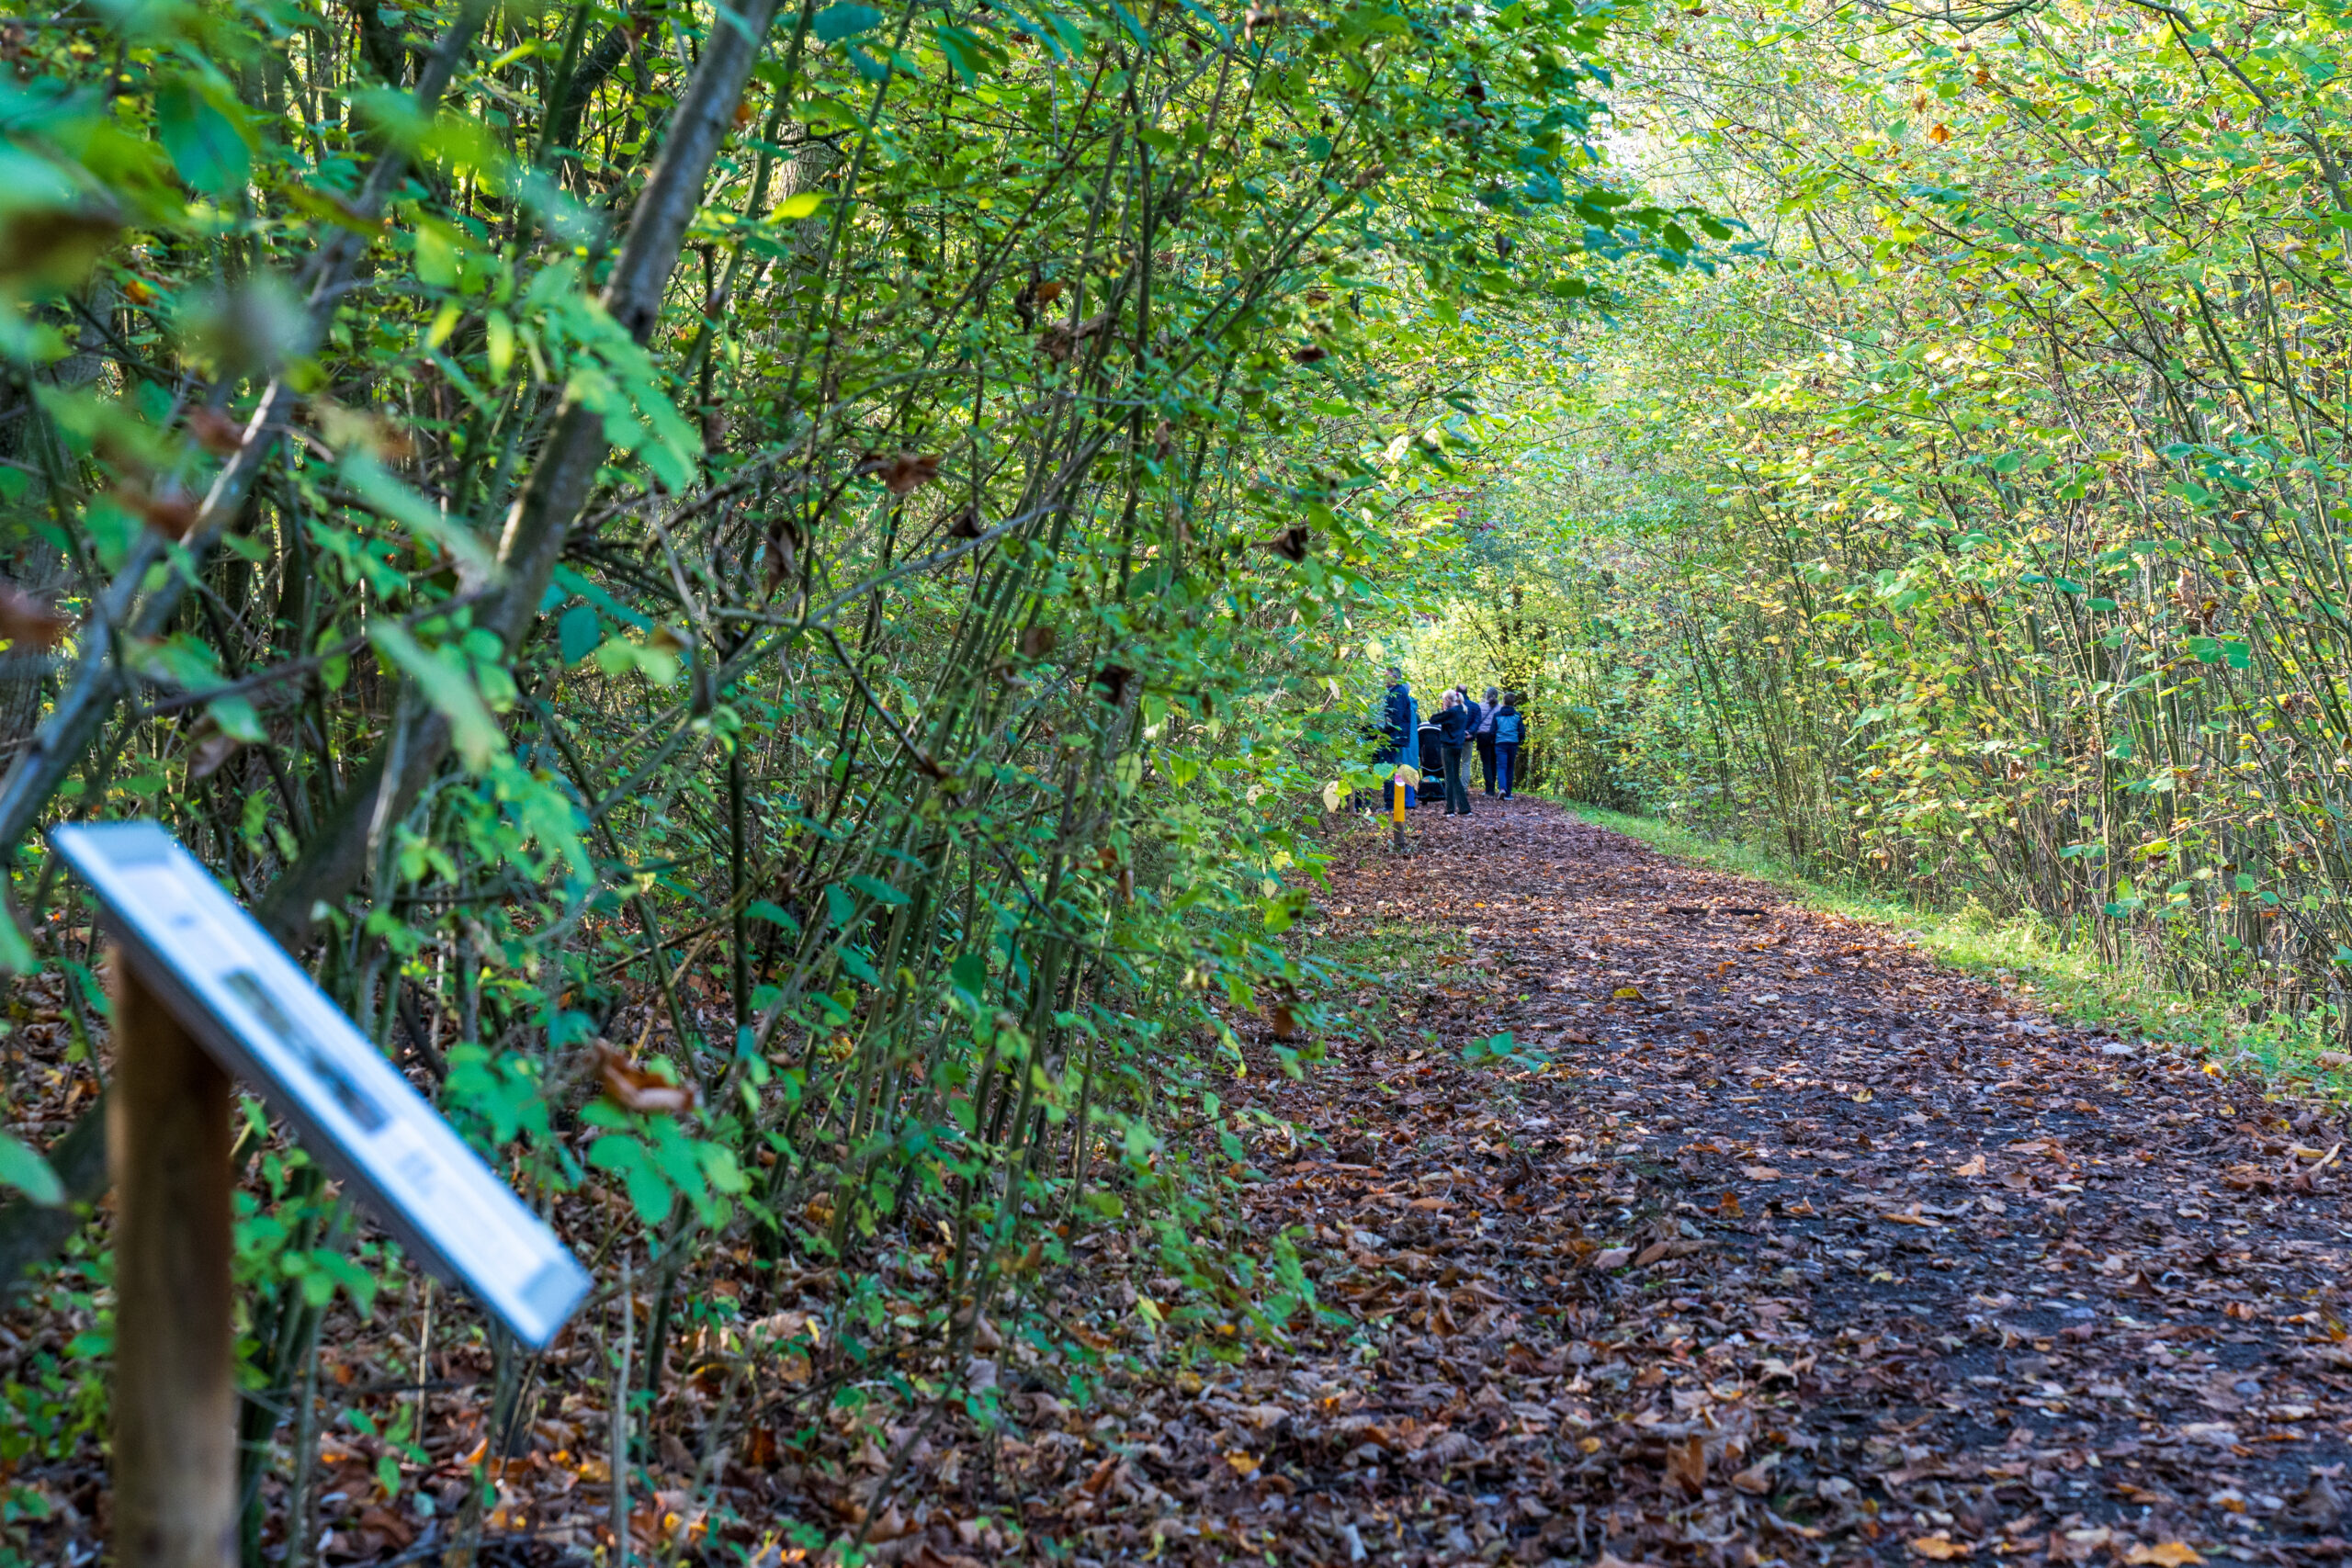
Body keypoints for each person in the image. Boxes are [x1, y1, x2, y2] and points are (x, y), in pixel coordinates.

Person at [1379, 668, 1419, 810]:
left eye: (1386, 675)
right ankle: (1392, 803)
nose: (1384, 678)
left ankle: (1391, 804)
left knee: (1389, 768)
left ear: (1394, 677)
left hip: (1393, 738)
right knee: (1391, 768)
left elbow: (1395, 718)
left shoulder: (1399, 693)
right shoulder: (1394, 693)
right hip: (1393, 737)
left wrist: (1382, 731)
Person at [1437, 691, 1475, 817]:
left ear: (1448, 700)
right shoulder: (1463, 712)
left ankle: (1450, 809)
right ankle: (1464, 808)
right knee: (1455, 777)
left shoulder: (1450, 713)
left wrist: (1444, 710)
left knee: (1449, 777)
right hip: (1458, 746)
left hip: (1447, 747)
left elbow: (1433, 719)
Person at [1492, 694, 1522, 798]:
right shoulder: (1517, 716)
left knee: (1501, 767)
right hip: (1513, 744)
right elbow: (1522, 732)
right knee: (1510, 767)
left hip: (1500, 744)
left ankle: (1502, 788)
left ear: (1504, 702)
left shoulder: (1497, 715)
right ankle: (1508, 794)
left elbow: (1492, 731)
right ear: (1513, 703)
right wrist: (1519, 740)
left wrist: (1494, 741)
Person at [1476, 684, 1501, 795]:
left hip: (1483, 736)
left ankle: (1488, 789)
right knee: (1493, 762)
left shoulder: (1480, 707)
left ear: (1487, 696)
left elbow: (1476, 721)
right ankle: (1493, 788)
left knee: (1486, 763)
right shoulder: (1501, 708)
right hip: (1495, 737)